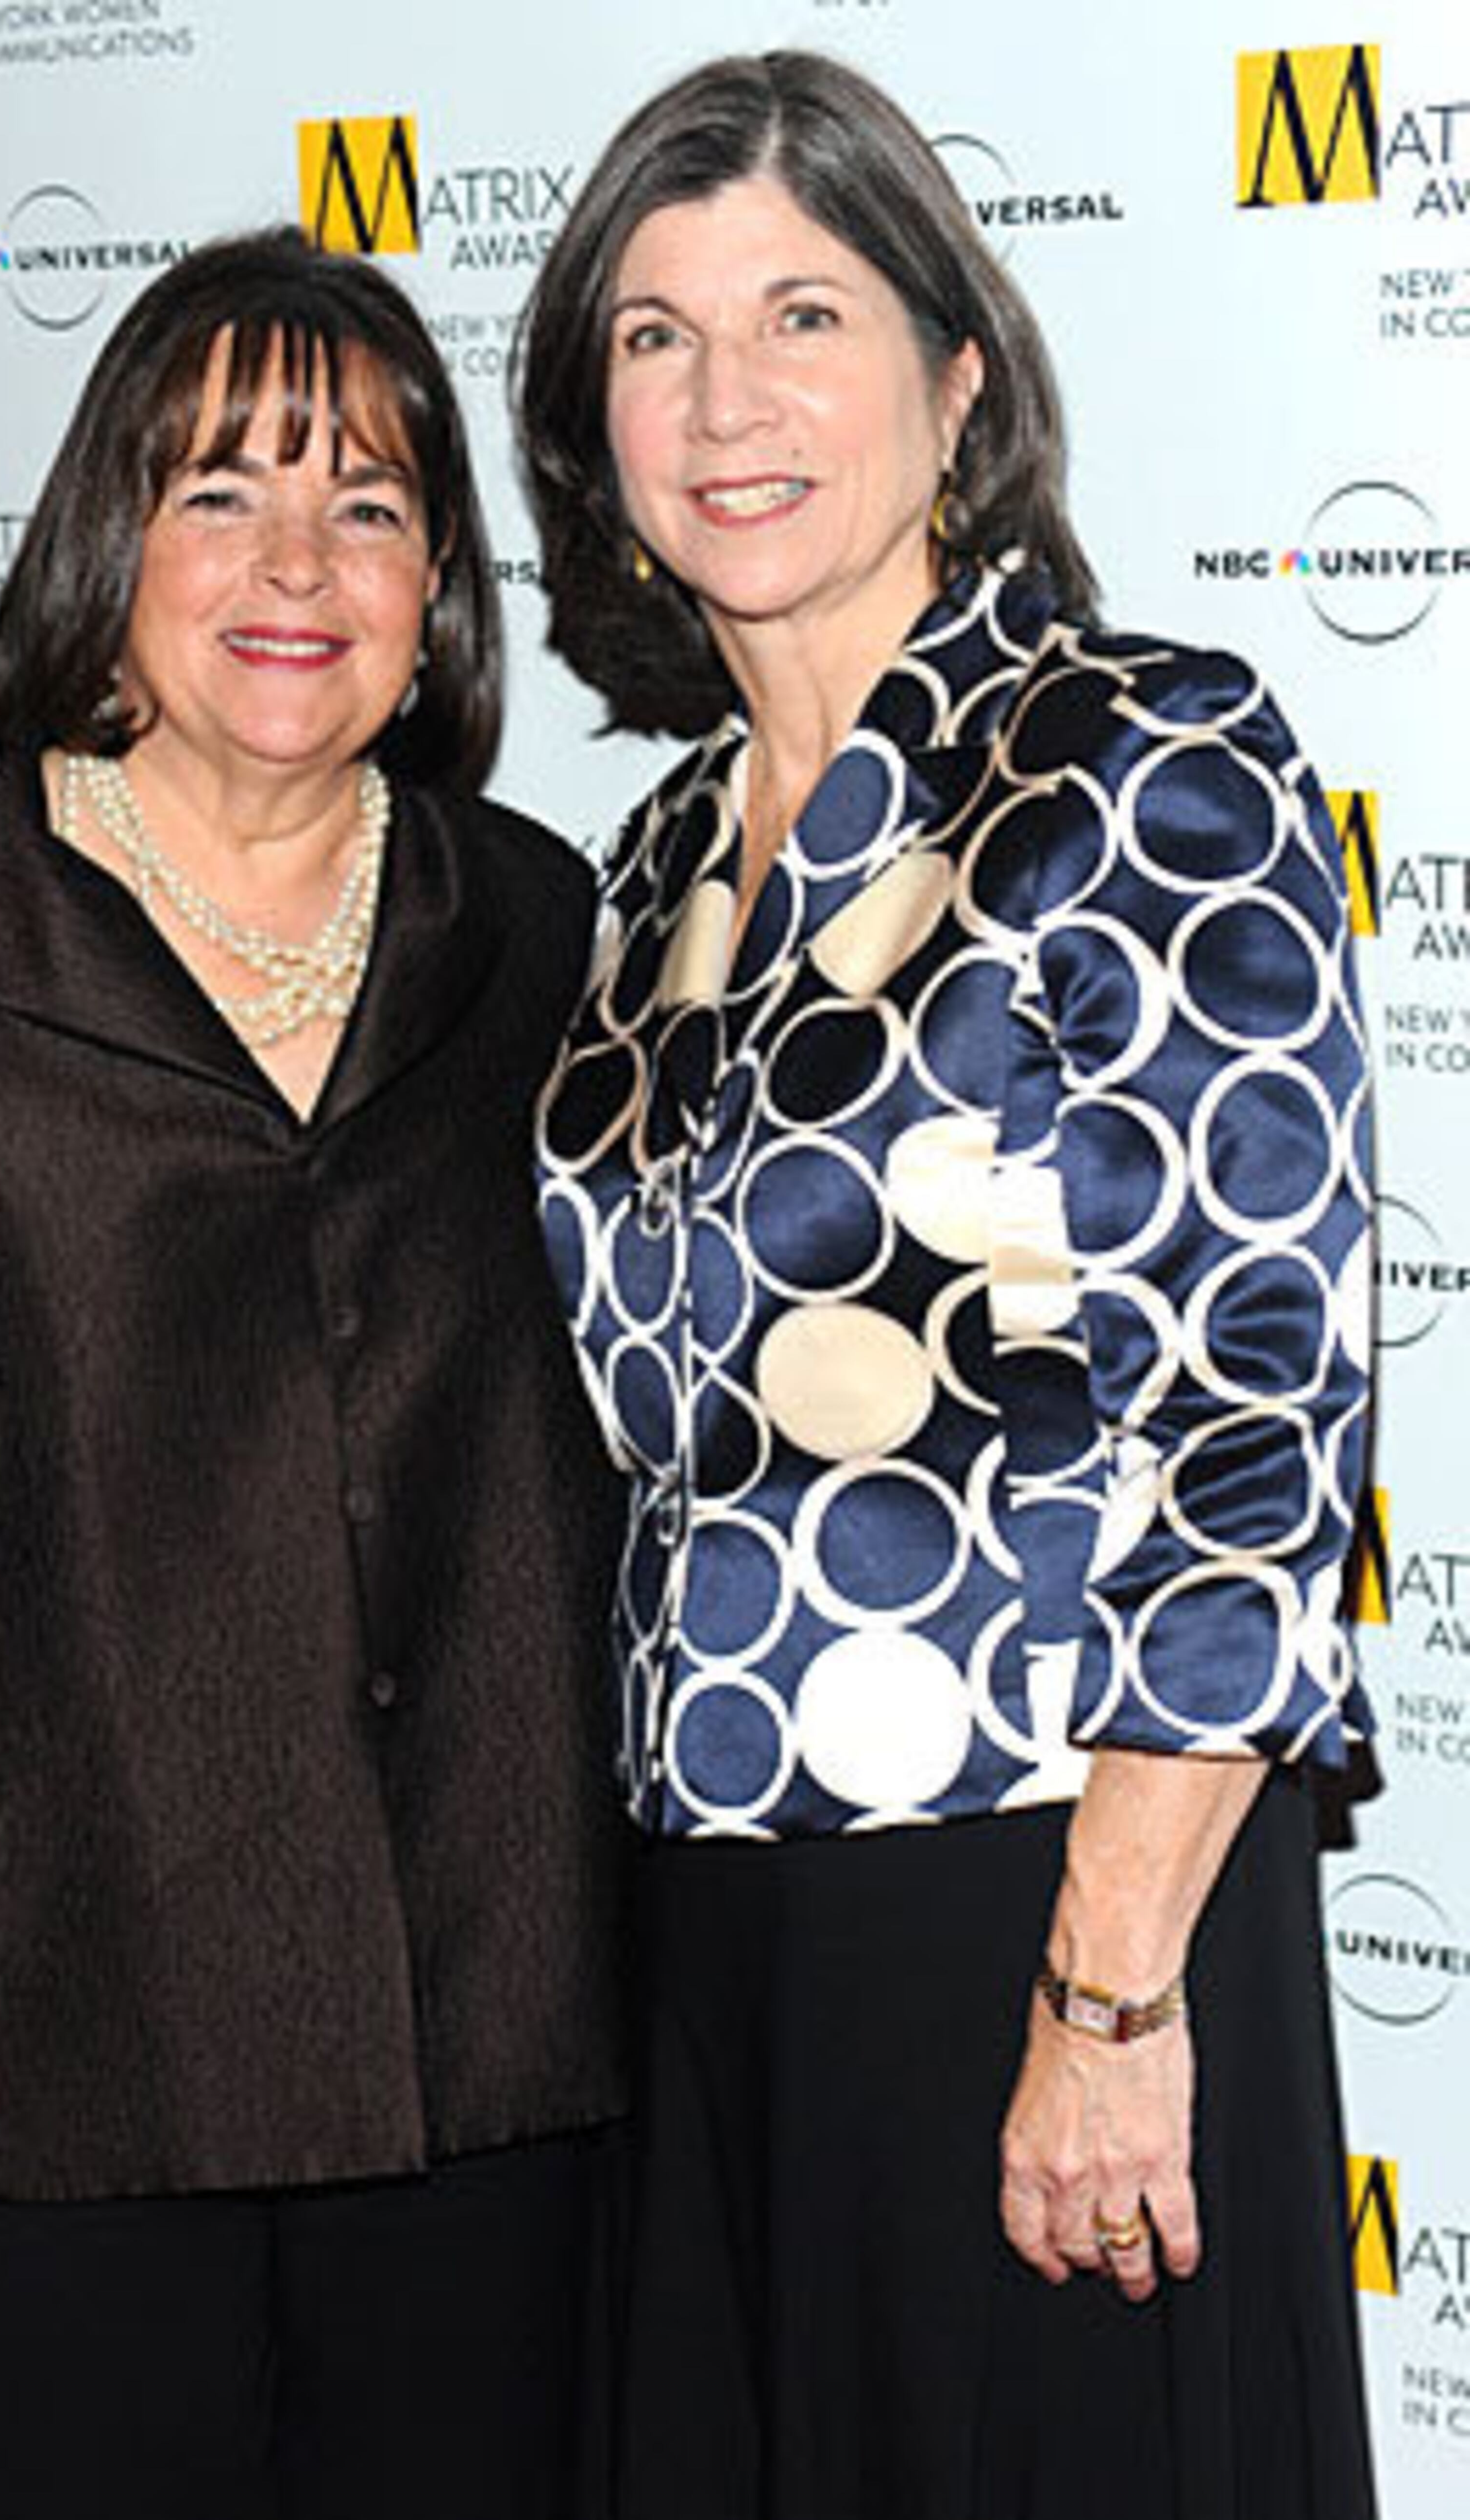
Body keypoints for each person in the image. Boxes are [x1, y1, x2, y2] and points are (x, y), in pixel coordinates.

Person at [0, 225, 627, 2520]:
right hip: (20, 2095)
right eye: (222, 491)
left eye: (371, 504)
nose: (300, 564)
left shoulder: (545, 928)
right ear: (106, 542)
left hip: (488, 2086)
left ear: (443, 584)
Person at [518, 50, 1375, 2520]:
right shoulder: (657, 854)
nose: (729, 397)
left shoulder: (1141, 765)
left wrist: (1108, 1993)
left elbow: (1257, 1423)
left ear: (957, 373)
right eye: (653, 337)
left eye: (804, 312)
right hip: (706, 1943)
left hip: (1042, 1889)